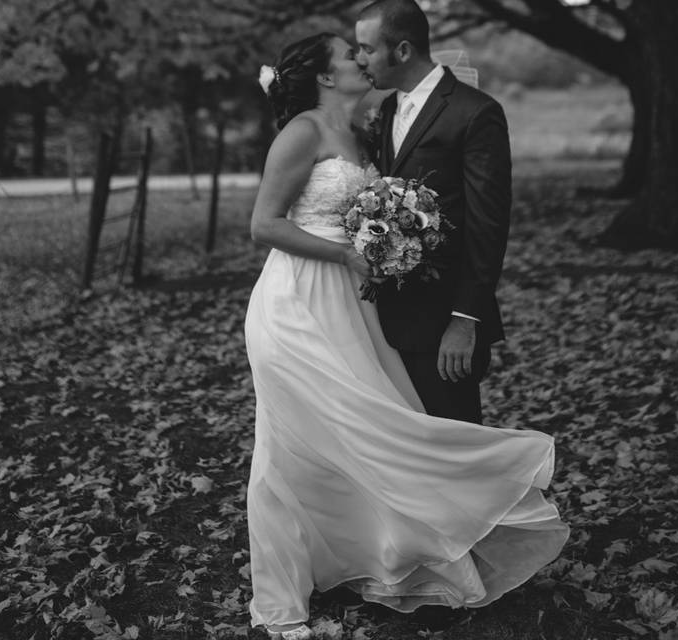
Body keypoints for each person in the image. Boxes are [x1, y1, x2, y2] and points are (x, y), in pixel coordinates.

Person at [244, 28, 568, 640]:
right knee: (294, 446)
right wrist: (346, 256)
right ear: (322, 74)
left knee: (373, 423)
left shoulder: (365, 132)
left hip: (355, 306)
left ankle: (383, 556)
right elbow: (264, 225)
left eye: (363, 49)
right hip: (296, 306)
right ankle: (280, 597)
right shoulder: (303, 131)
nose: (361, 60)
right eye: (350, 54)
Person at [355, 0, 510, 425]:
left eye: (366, 48)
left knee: (456, 439)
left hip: (446, 321)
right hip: (392, 317)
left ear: (402, 51)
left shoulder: (475, 113)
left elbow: (488, 225)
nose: (359, 59)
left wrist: (464, 320)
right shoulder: (386, 110)